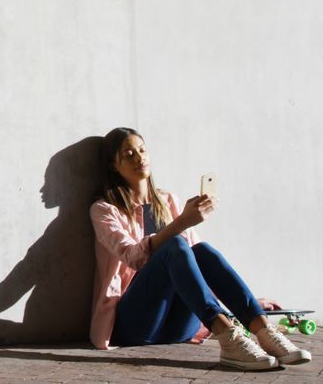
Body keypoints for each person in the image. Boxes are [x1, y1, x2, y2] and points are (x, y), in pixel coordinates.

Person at [90, 127, 312, 370]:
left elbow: (194, 265)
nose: (139, 157)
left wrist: (243, 303)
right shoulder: (104, 210)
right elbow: (132, 257)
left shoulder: (168, 201)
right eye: (129, 154)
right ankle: (229, 338)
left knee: (200, 250)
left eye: (142, 150)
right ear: (113, 165)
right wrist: (182, 222)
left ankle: (263, 330)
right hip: (135, 324)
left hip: (178, 327)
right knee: (175, 244)